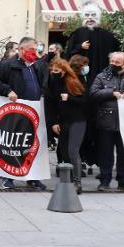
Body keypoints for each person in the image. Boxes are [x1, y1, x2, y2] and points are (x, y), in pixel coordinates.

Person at [0, 36, 47, 190]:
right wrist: (8, 91)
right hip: (15, 112)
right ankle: (8, 177)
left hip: (33, 112)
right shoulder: (8, 65)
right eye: (32, 49)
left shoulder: (36, 66)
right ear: (21, 50)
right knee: (13, 145)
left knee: (32, 144)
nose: (35, 52)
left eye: (36, 49)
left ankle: (32, 177)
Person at [90, 52, 124, 191]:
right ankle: (104, 181)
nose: (113, 64)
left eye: (117, 62)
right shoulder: (102, 76)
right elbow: (93, 93)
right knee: (105, 154)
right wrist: (110, 93)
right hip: (106, 120)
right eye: (112, 61)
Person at [46, 58, 87, 194]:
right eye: (52, 70)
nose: (54, 73)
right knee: (63, 151)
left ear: (63, 70)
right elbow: (50, 104)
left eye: (56, 71)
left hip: (77, 120)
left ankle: (77, 183)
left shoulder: (75, 80)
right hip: (62, 121)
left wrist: (69, 98)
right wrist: (53, 122)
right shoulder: (52, 82)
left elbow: (85, 100)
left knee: (73, 151)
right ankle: (67, 182)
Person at [67, 0, 120, 88]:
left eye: (93, 15)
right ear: (83, 17)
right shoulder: (77, 33)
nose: (90, 18)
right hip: (81, 75)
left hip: (101, 74)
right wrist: (80, 47)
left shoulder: (106, 35)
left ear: (98, 17)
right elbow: (69, 54)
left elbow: (116, 50)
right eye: (87, 15)